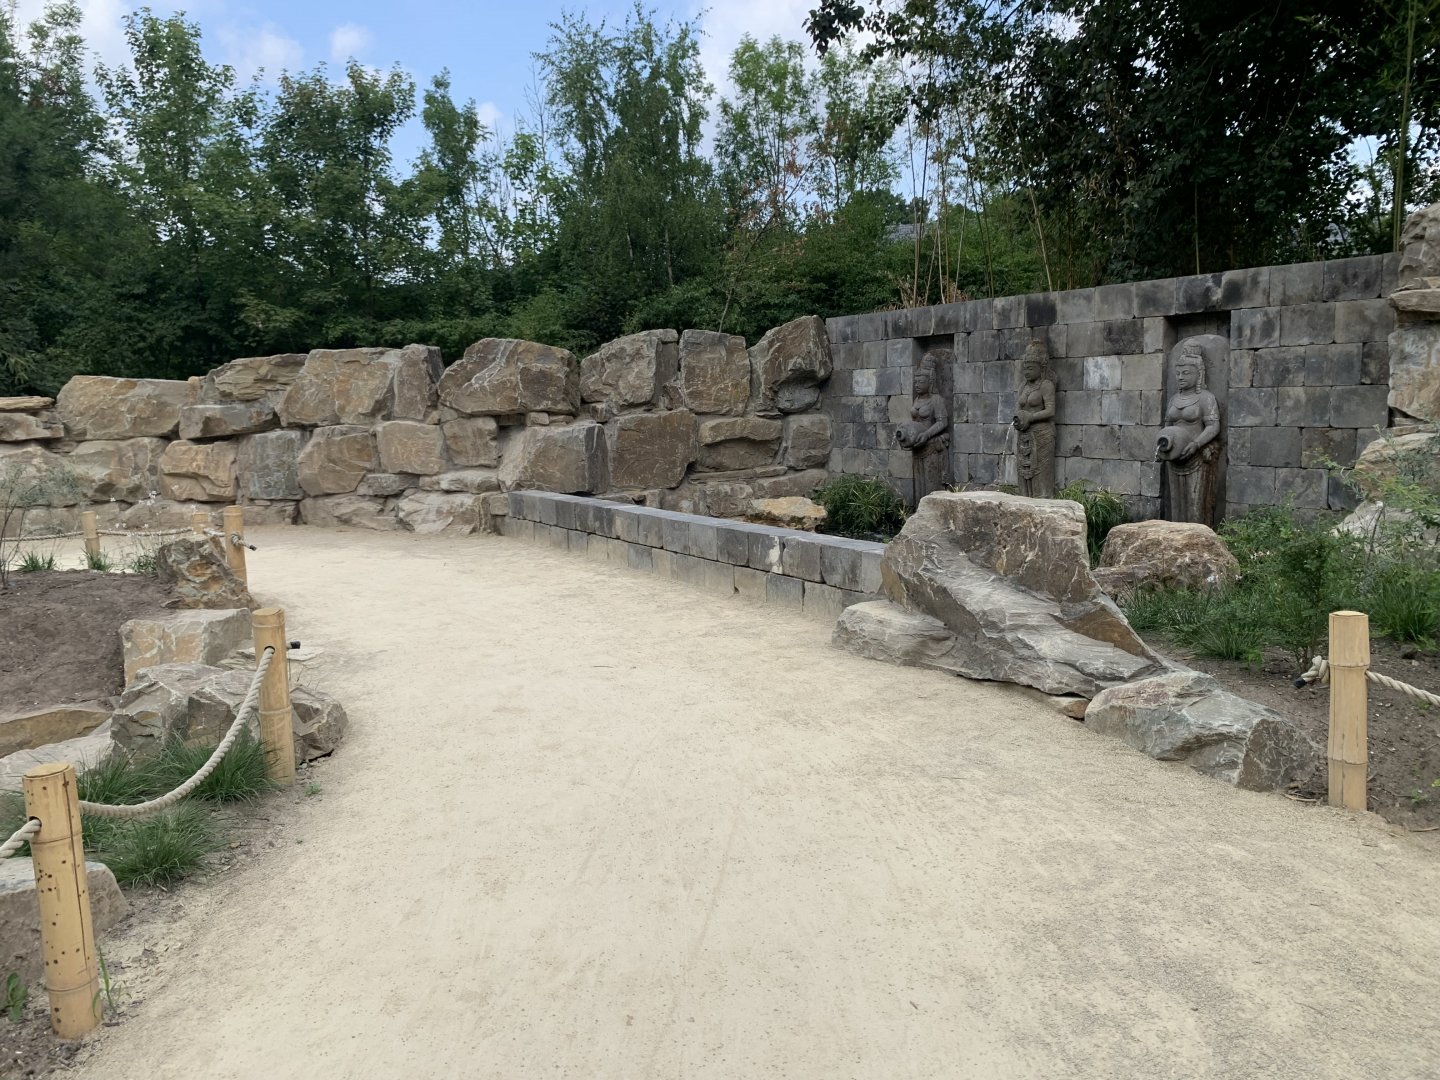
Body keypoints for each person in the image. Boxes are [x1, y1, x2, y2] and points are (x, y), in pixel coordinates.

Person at [1155, 340, 1222, 526]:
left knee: (1195, 505)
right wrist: (1161, 447)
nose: (1180, 377)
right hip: (1174, 457)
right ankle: (1177, 540)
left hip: (1197, 457)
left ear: (1198, 374)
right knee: (1176, 504)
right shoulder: (1174, 399)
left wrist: (1196, 444)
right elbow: (1167, 426)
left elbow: (1213, 426)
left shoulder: (1206, 398)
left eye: (1186, 373)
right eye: (1178, 373)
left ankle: (1198, 541)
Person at [896, 353, 951, 505]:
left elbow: (942, 422)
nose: (917, 384)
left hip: (932, 447)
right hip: (917, 447)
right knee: (918, 484)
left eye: (921, 381)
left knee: (931, 483)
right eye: (916, 381)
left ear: (930, 381)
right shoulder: (917, 399)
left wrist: (926, 435)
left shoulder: (936, 400)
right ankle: (919, 513)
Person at [1013, 339, 1057, 498]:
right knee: (1024, 475)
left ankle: (1044, 506)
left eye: (1031, 368)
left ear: (1041, 368)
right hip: (1024, 435)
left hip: (1043, 436)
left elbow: (1051, 411)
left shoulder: (1046, 385)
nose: (1027, 371)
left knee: (1041, 476)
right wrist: (1019, 417)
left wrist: (1030, 417)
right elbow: (1018, 407)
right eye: (1025, 368)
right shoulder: (1023, 387)